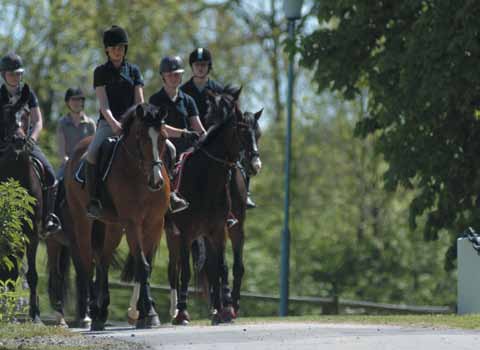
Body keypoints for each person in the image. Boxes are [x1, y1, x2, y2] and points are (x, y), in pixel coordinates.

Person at [181, 48, 257, 209]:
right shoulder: (183, 91)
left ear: (209, 67)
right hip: (191, 139)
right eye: (197, 64)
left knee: (241, 150)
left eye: (204, 64)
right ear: (192, 67)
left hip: (214, 141)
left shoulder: (219, 90)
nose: (200, 68)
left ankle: (245, 193)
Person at [85, 25, 145, 219]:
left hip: (133, 124)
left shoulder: (134, 71)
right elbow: (104, 105)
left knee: (167, 148)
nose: (118, 50)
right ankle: (94, 199)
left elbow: (140, 103)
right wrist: (115, 126)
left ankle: (169, 195)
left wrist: (138, 124)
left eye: (121, 46)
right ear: (107, 50)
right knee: (92, 154)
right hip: (108, 123)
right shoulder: (100, 72)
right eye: (114, 47)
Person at [0, 52, 61, 234]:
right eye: (12, 74)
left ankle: (47, 219)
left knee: (50, 175)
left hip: (26, 143)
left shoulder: (29, 93)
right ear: (4, 75)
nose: (16, 77)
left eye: (18, 73)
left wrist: (32, 139)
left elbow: (38, 121)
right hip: (3, 144)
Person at [149, 55, 206, 213]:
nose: (174, 77)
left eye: (177, 74)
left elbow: (198, 126)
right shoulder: (155, 99)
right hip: (165, 144)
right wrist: (183, 133)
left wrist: (209, 139)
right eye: (170, 74)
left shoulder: (188, 100)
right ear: (163, 77)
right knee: (171, 150)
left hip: (188, 146)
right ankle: (172, 195)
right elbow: (158, 127)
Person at [56, 87, 96, 179]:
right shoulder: (62, 123)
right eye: (73, 99)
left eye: (79, 99)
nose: (76, 102)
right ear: (67, 102)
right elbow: (62, 150)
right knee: (56, 184)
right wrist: (68, 162)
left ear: (83, 102)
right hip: (68, 164)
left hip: (86, 163)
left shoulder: (90, 124)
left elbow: (94, 147)